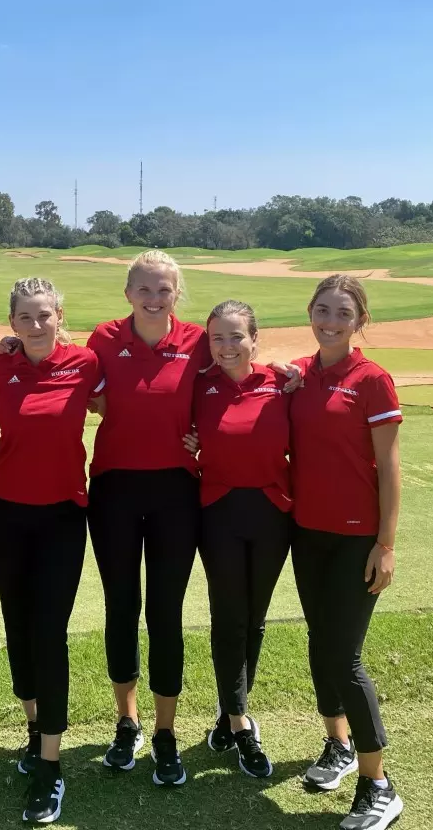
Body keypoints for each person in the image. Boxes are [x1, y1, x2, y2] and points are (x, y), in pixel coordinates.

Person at [0, 277, 104, 824]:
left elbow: (132, 408)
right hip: (6, 512)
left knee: (49, 632)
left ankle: (51, 764)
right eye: (24, 317)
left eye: (44, 315)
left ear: (59, 314)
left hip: (63, 515)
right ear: (12, 323)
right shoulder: (1, 367)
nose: (35, 325)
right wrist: (22, 449)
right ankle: (34, 722)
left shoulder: (87, 363)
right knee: (18, 624)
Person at [81, 249, 210, 785]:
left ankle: (164, 731)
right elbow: (79, 386)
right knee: (121, 605)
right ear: (128, 292)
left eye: (164, 290)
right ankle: (126, 720)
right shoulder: (104, 338)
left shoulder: (199, 340)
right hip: (113, 487)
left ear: (176, 294)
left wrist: (284, 373)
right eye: (145, 289)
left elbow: (231, 383)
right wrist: (15, 344)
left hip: (176, 490)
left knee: (165, 609)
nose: (154, 299)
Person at [289, 274, 404, 830]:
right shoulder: (299, 376)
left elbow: (389, 468)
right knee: (319, 646)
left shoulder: (373, 380)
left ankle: (378, 781)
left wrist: (386, 544)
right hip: (307, 533)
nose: (330, 321)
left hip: (358, 538)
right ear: (310, 312)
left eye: (343, 313)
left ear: (361, 322)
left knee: (344, 658)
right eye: (322, 310)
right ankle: (337, 745)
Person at [191, 300, 292, 780]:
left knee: (254, 620)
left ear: (255, 338)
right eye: (218, 338)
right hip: (219, 511)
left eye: (237, 337)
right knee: (229, 617)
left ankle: (230, 711)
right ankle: (241, 724)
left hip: (273, 512)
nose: (227, 347)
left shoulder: (282, 383)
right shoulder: (200, 385)